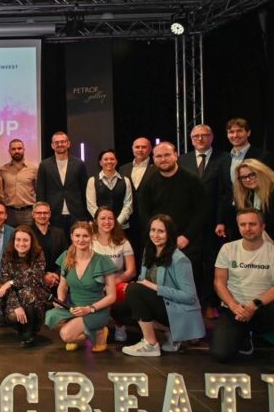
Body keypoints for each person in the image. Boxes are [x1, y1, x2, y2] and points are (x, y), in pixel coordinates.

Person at [211, 208, 274, 372]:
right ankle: (244, 336)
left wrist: (254, 305)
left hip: (262, 309)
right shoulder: (228, 249)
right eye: (243, 224)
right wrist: (233, 305)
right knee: (220, 355)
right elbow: (219, 282)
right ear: (238, 227)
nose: (247, 228)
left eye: (252, 224)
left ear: (262, 226)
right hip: (235, 310)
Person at [121, 215, 205, 357]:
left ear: (170, 233)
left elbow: (190, 297)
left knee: (135, 290)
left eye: (161, 231)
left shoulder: (179, 259)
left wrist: (154, 287)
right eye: (153, 230)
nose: (155, 235)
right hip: (161, 304)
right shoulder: (149, 251)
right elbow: (143, 280)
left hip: (177, 309)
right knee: (119, 308)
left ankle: (151, 344)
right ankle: (170, 333)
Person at [178, 124, 230, 319]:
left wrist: (221, 220)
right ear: (191, 140)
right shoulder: (182, 160)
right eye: (196, 136)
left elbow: (225, 193)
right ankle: (192, 301)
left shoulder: (224, 158)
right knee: (190, 264)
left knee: (211, 263)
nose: (200, 139)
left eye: (204, 135)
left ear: (211, 137)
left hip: (213, 223)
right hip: (189, 224)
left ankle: (210, 303)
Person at [44, 221, 117, 352]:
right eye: (77, 236)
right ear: (72, 237)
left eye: (85, 236)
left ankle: (99, 332)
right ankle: (80, 331)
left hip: (95, 310)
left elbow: (112, 296)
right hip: (73, 308)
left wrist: (90, 309)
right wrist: (60, 300)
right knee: (50, 318)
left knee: (66, 335)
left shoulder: (102, 261)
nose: (81, 240)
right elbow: (63, 286)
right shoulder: (66, 257)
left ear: (92, 237)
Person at [137, 142, 206, 268]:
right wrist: (156, 236)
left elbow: (202, 211)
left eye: (167, 155)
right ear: (153, 159)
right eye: (159, 156)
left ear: (175, 155)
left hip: (187, 243)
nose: (163, 159)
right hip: (158, 243)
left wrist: (187, 236)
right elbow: (144, 214)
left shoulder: (192, 180)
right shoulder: (148, 183)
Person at [0, 225, 49, 347]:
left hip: (35, 293)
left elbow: (33, 279)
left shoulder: (39, 255)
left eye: (25, 240)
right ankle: (22, 328)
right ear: (13, 241)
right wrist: (16, 305)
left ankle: (30, 330)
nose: (21, 243)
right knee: (14, 315)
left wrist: (10, 283)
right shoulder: (7, 255)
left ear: (31, 241)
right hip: (12, 295)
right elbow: (6, 281)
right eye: (18, 239)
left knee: (27, 292)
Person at [91, 206, 136, 342]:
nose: (107, 222)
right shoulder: (89, 241)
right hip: (95, 283)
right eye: (103, 218)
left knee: (121, 290)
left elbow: (131, 271)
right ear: (96, 221)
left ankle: (119, 325)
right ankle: (95, 326)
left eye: (110, 218)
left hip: (117, 282)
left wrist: (111, 284)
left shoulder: (123, 242)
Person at [36, 132, 89, 233]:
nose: (60, 144)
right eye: (56, 142)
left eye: (63, 142)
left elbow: (85, 189)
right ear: (52, 146)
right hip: (54, 214)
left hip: (76, 213)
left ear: (68, 144)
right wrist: (43, 214)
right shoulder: (44, 165)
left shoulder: (79, 164)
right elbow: (41, 191)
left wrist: (87, 215)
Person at [119, 137, 157, 249]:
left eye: (143, 147)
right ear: (132, 149)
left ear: (150, 149)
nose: (140, 150)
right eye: (137, 147)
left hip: (150, 217)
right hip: (129, 219)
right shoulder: (123, 169)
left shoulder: (157, 168)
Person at [85, 149, 133, 227]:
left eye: (112, 159)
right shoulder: (92, 181)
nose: (109, 161)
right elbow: (91, 206)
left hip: (120, 226)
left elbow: (128, 204)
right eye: (106, 159)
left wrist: (117, 223)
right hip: (99, 226)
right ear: (100, 162)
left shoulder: (125, 180)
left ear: (116, 161)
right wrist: (103, 221)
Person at [0, 139, 37, 227]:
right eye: (13, 149)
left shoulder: (34, 169)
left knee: (28, 235)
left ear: (24, 150)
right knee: (10, 235)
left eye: (19, 148)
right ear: (9, 151)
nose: (17, 151)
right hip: (9, 213)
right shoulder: (2, 170)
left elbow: (38, 191)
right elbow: (1, 192)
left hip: (28, 213)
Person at [29, 201, 68, 279]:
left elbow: (66, 257)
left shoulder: (59, 233)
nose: (42, 215)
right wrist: (43, 276)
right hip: (33, 279)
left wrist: (56, 274)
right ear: (33, 214)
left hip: (56, 278)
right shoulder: (27, 232)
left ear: (50, 214)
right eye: (39, 213)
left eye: (45, 213)